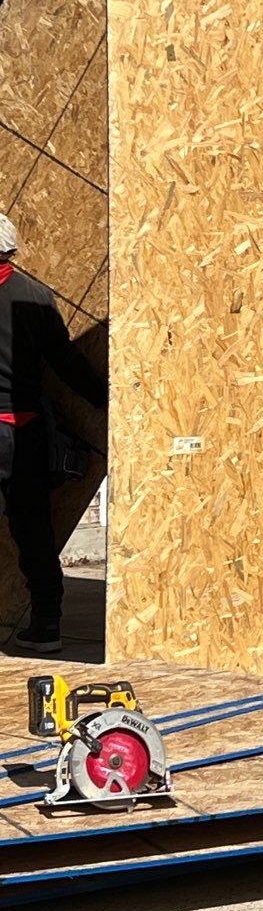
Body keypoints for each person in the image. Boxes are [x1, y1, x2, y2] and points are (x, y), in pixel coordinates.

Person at [0, 214, 106, 654]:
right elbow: (65, 361)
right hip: (24, 434)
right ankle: (47, 626)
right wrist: (104, 399)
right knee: (34, 532)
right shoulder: (36, 297)